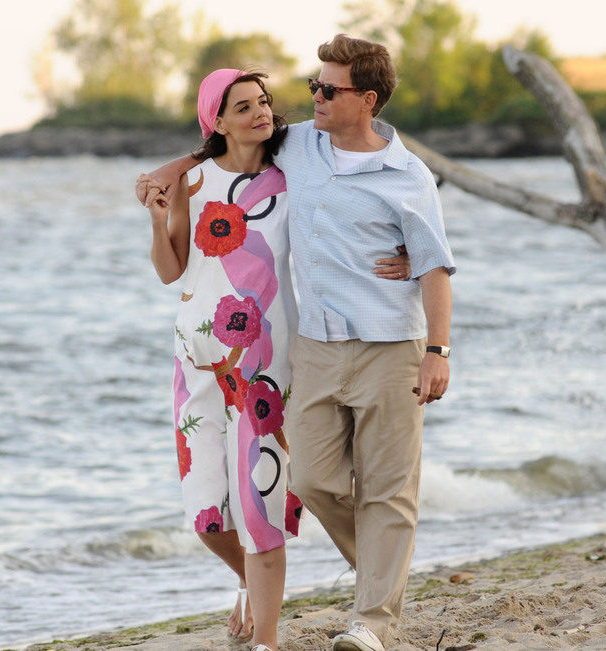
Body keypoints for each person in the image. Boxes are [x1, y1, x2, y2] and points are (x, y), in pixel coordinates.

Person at [144, 67, 412, 651]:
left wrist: (406, 253)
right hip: (196, 362)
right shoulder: (193, 184)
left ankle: (266, 640)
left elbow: (346, 214)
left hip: (267, 363)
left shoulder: (291, 176)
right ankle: (248, 578)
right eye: (244, 106)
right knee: (206, 515)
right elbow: (170, 271)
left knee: (259, 507)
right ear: (217, 121)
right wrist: (158, 212)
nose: (261, 113)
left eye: (264, 102)